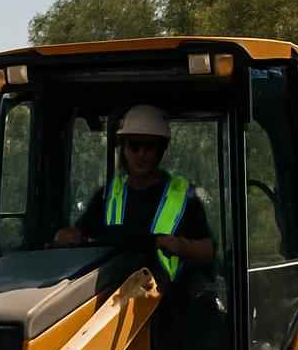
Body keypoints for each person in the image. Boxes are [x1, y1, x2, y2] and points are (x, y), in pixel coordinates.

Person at [54, 105, 214, 284]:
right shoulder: (107, 196)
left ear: (161, 149)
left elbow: (208, 251)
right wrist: (67, 236)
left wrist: (179, 246)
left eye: (149, 146)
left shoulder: (185, 197)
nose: (141, 154)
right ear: (123, 148)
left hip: (169, 295)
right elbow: (80, 233)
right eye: (134, 146)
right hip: (112, 293)